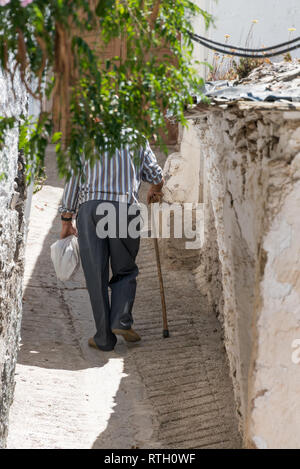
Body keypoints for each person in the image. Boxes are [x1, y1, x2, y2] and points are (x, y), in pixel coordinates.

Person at [59, 141, 164, 351]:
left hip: (91, 210)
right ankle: (121, 321)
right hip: (125, 209)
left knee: (95, 275)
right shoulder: (138, 139)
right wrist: (154, 189)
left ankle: (104, 338)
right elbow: (156, 175)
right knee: (125, 269)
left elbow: (73, 181)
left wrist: (66, 217)